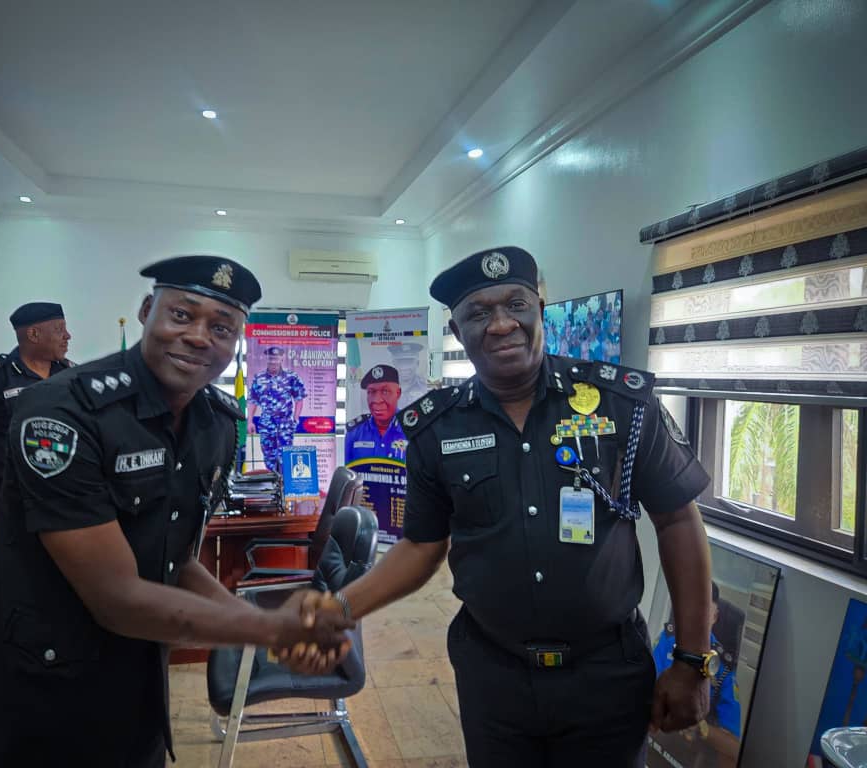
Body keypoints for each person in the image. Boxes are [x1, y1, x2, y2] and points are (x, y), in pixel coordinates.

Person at [281, 246, 716, 767]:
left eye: (516, 304)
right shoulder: (437, 428)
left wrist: (693, 659)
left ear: (540, 308)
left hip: (606, 673)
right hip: (493, 675)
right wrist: (340, 607)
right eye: (479, 313)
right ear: (457, 328)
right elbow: (421, 547)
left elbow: (678, 521)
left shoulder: (620, 404)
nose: (501, 324)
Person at [0, 256, 352, 767]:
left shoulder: (215, 423)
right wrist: (271, 630)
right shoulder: (62, 411)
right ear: (147, 310)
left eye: (222, 328)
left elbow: (176, 559)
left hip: (135, 680)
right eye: (182, 314)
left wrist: (256, 619)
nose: (198, 336)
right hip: (37, 690)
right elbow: (116, 598)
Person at [0, 302, 72, 564]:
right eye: (59, 329)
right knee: (4, 579)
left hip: (61, 500)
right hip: (7, 501)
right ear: (33, 334)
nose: (68, 336)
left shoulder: (70, 375)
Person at [651, 582, 741, 767]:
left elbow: (733, 748)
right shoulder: (667, 641)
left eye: (705, 610)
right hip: (653, 743)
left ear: (715, 616)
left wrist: (702, 728)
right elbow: (642, 688)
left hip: (690, 758)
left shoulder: (723, 668)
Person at [247, 345, 306, 473]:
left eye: (276, 359)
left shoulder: (291, 377)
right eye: (270, 359)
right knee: (269, 457)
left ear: (281, 359)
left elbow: (299, 398)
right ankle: (272, 482)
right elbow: (252, 401)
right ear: (266, 359)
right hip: (266, 424)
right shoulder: (259, 378)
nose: (273, 362)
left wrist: (295, 418)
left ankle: (284, 483)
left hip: (285, 424)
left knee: (286, 457)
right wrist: (250, 421)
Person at [344, 364, 407, 463]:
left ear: (398, 393)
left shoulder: (413, 432)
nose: (377, 400)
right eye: (371, 392)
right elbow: (348, 471)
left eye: (385, 391)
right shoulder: (355, 432)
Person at [387, 342, 428, 408]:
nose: (405, 367)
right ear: (394, 363)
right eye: (400, 362)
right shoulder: (385, 387)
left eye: (409, 362)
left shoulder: (426, 386)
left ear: (417, 363)